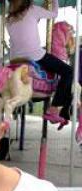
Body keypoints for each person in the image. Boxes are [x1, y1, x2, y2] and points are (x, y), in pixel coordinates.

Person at [7, 0, 73, 129]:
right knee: (68, 72)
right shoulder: (31, 9)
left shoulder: (8, 20)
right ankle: (54, 108)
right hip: (35, 55)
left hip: (15, 58)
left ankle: (64, 112)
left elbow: (27, 25)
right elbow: (54, 14)